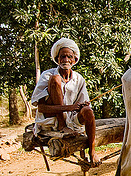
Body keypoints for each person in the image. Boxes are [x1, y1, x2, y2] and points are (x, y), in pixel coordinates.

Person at [31, 38, 101, 167]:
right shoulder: (47, 75)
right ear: (57, 59)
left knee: (88, 112)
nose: (66, 60)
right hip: (51, 121)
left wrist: (81, 107)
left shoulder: (79, 79)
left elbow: (83, 105)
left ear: (75, 60)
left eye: (69, 57)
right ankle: (62, 125)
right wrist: (69, 108)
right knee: (55, 79)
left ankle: (92, 151)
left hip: (73, 121)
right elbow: (41, 108)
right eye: (62, 56)